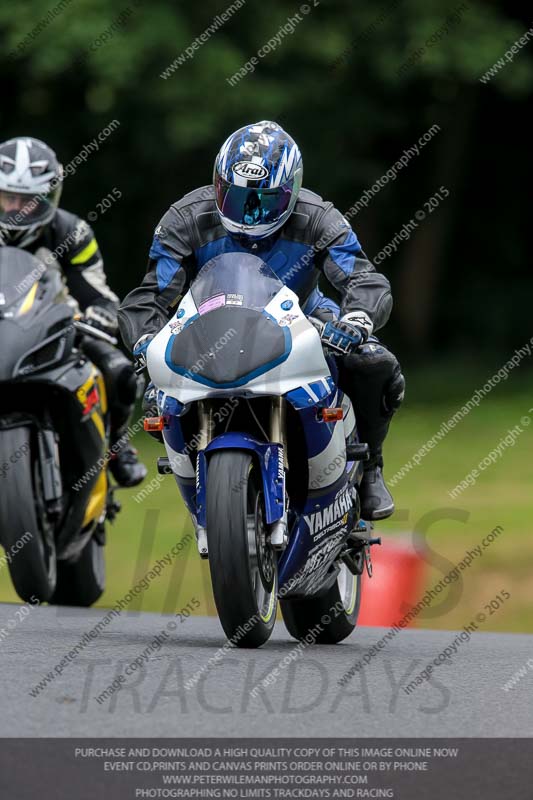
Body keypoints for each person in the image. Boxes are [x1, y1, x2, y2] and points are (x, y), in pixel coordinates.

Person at [118, 121, 404, 518]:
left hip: (304, 317)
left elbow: (362, 277)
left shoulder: (319, 217)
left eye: (265, 200)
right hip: (207, 325)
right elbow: (152, 294)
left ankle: (370, 466)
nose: (249, 213)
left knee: (373, 363)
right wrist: (145, 340)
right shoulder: (185, 218)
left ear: (291, 192)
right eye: (236, 197)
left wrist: (356, 319)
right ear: (217, 185)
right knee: (158, 395)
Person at [0, 136, 146, 487]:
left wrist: (102, 314)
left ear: (49, 197)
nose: (17, 209)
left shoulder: (72, 231)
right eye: (8, 197)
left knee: (121, 373)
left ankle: (118, 446)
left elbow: (97, 293)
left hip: (57, 330)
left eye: (29, 200)